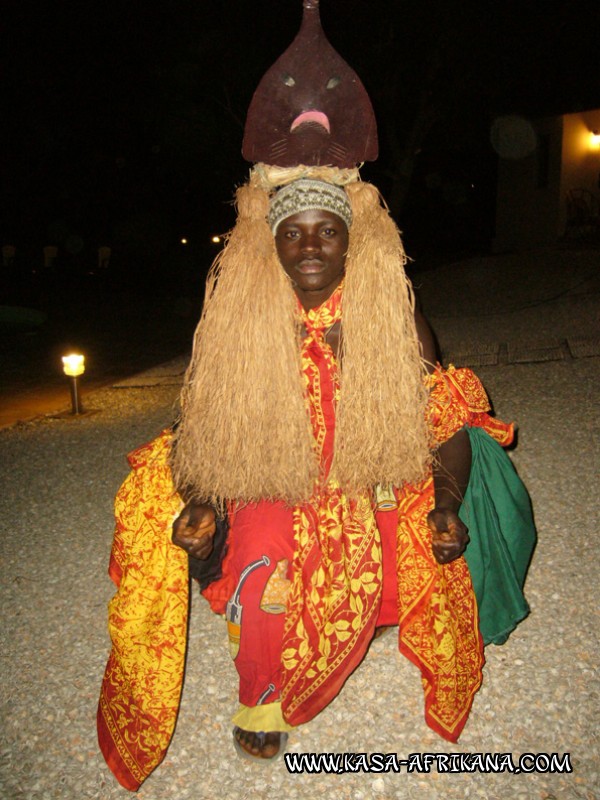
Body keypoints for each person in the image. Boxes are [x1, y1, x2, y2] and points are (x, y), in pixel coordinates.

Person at [97, 3, 535, 789]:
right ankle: (261, 695)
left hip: (365, 479)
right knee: (266, 570)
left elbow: (445, 416)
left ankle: (368, 627)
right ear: (274, 243)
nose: (308, 245)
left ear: (349, 238)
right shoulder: (239, 315)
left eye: (325, 232)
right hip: (278, 479)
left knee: (402, 566)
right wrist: (197, 497)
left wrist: (443, 497)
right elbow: (195, 430)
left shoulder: (392, 311)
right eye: (292, 232)